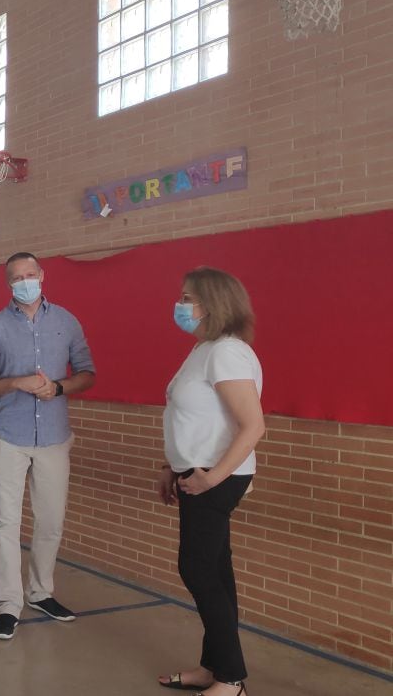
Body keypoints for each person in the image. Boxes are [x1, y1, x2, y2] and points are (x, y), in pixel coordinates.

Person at [0, 251, 96, 639]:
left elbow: (87, 374)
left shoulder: (67, 322)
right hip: (8, 434)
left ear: (41, 275)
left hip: (55, 437)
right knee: (6, 523)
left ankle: (41, 591)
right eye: (16, 277)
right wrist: (16, 382)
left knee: (51, 521)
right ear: (8, 283)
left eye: (30, 274)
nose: (25, 282)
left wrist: (59, 387)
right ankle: (8, 605)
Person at [156, 267, 265, 696]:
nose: (180, 305)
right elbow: (192, 417)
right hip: (194, 471)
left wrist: (212, 478)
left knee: (197, 568)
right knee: (216, 570)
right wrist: (170, 465)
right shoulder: (204, 348)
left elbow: (253, 426)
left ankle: (231, 679)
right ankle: (214, 667)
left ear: (212, 303)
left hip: (215, 476)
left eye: (188, 298)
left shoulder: (227, 353)